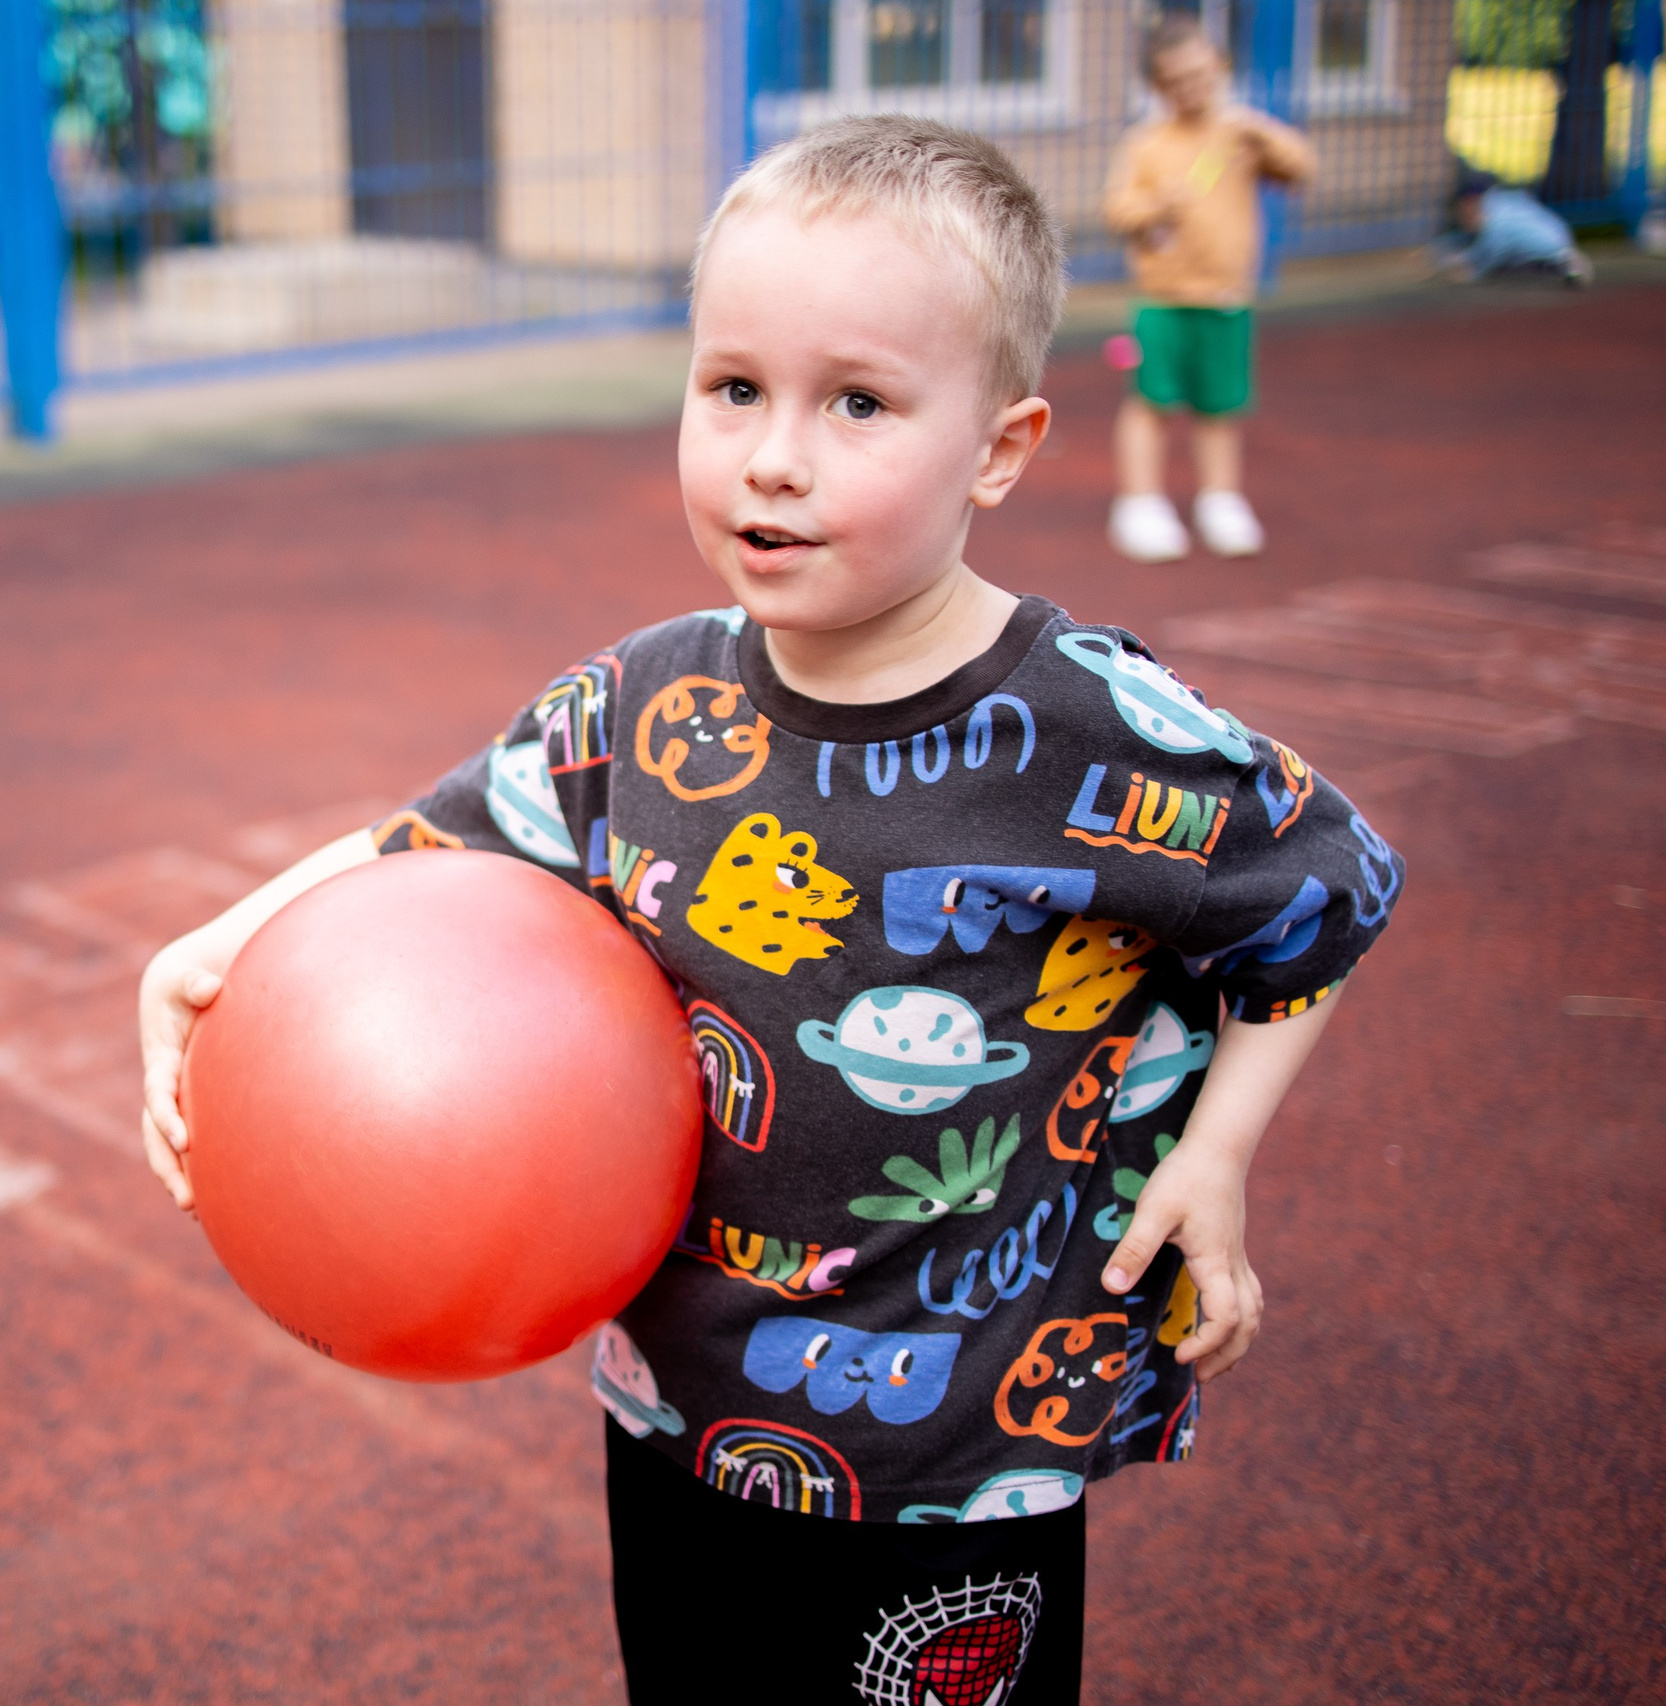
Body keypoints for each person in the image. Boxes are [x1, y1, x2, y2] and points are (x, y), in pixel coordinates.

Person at [139, 115, 1402, 1703]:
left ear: (1000, 447)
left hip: (959, 1465)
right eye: (733, 387)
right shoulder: (645, 705)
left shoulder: (1090, 731)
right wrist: (215, 944)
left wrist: (1216, 1155)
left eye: (857, 403)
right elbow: (432, 843)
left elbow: (1325, 892)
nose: (773, 456)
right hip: (677, 1417)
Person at [1101, 15, 1316, 563]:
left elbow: (1299, 167)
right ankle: (1140, 502)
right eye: (1176, 81)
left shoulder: (1241, 137)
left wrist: (1260, 131)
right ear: (1158, 86)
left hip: (1226, 298)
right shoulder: (1147, 143)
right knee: (1151, 401)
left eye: (1199, 75)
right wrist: (1157, 206)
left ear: (1220, 68)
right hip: (1163, 300)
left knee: (1219, 407)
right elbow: (1118, 209)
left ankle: (1220, 499)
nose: (1190, 89)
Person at [1438, 167, 1595, 286]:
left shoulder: (1495, 220)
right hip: (1560, 236)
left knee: (1504, 266)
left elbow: (1488, 254)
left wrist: (1466, 269)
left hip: (1548, 249)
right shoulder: (1505, 200)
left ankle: (1565, 262)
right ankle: (1565, 261)